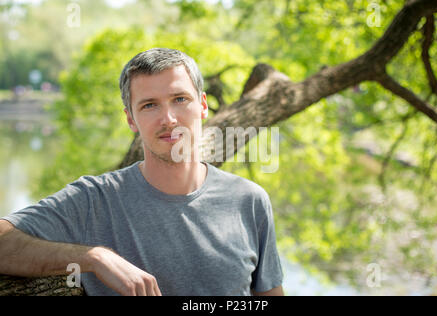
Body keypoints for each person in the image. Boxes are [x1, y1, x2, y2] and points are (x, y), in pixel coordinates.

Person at [0, 48, 284, 296]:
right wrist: (96, 257)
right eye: (149, 105)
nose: (169, 119)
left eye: (180, 99)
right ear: (131, 119)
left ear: (203, 105)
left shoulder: (249, 200)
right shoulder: (94, 201)